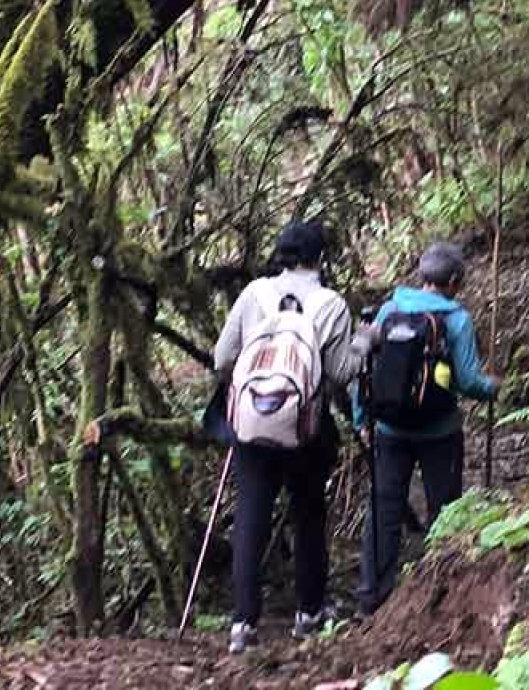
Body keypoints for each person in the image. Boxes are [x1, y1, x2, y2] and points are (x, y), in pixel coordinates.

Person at [212, 219, 360, 654]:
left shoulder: (253, 293)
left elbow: (221, 358)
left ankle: (243, 623)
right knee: (308, 513)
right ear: (320, 258)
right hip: (307, 427)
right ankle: (309, 612)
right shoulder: (331, 304)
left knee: (251, 515)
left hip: (252, 427)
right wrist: (364, 345)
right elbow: (341, 372)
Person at [354, 241, 498, 616]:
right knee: (445, 508)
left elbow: (365, 368)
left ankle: (372, 596)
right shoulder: (457, 320)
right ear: (454, 281)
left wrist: (361, 418)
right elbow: (468, 380)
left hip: (389, 428)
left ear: (422, 276)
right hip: (440, 431)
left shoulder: (390, 310)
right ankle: (443, 589)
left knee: (384, 509)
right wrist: (491, 387)